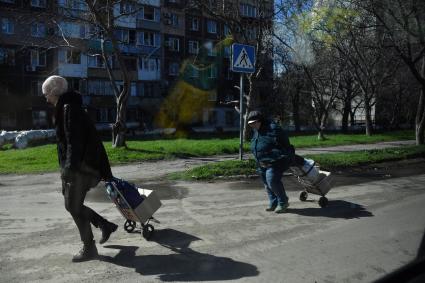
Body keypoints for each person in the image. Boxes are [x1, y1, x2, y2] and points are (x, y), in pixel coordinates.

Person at [42, 75, 118, 262]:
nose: (45, 98)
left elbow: (74, 144)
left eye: (46, 94)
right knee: (73, 206)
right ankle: (102, 226)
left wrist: (69, 170)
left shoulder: (69, 109)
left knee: (72, 206)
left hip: (82, 168)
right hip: (82, 167)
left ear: (54, 91)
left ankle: (91, 245)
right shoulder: (68, 107)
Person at [247, 110, 292, 213]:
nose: (252, 125)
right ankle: (274, 202)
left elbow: (285, 144)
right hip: (261, 161)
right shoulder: (256, 130)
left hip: (275, 161)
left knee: (272, 181)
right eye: (250, 124)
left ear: (260, 121)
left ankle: (283, 202)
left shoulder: (273, 128)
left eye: (254, 123)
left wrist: (280, 154)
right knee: (267, 183)